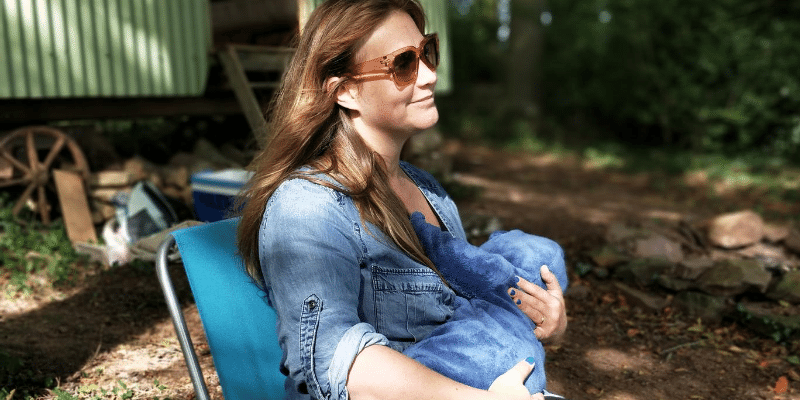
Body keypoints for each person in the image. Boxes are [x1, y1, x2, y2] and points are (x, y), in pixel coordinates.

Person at [236, 1, 568, 399]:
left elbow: (467, 308)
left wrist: (544, 319)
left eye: (426, 52)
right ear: (346, 92)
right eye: (404, 63)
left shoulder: (427, 190)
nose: (429, 75)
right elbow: (336, 360)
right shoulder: (308, 207)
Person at [405, 212, 568, 394]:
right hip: (526, 375)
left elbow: (452, 255)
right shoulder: (525, 320)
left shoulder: (502, 274)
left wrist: (419, 227)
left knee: (427, 363)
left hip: (473, 368)